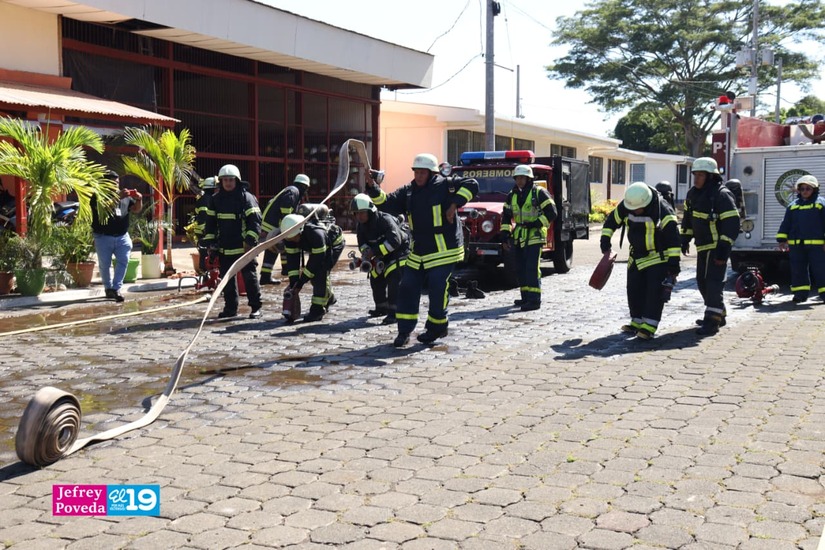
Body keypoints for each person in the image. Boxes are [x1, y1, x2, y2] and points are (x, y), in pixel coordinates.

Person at [367, 153, 478, 347]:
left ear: (432, 173)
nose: (418, 176)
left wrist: (454, 204)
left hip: (444, 250)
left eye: (422, 173)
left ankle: (437, 327)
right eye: (416, 172)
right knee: (407, 287)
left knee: (437, 287)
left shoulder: (445, 185)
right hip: (418, 252)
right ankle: (404, 331)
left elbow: (472, 184)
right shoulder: (408, 191)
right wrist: (373, 187)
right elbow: (386, 203)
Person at [601, 182, 681, 339]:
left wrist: (673, 264)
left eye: (638, 208)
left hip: (657, 258)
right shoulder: (628, 204)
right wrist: (605, 239)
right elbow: (611, 221)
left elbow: (674, 239)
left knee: (653, 293)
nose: (634, 211)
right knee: (633, 291)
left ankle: (649, 326)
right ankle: (636, 322)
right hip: (636, 257)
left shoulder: (662, 210)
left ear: (646, 202)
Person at [680, 157, 740, 336]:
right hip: (702, 247)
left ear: (711, 176)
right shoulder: (692, 194)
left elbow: (732, 223)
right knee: (702, 282)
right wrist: (685, 238)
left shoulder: (721, 195)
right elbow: (688, 219)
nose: (696, 179)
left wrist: (723, 249)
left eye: (701, 175)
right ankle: (719, 314)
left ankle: (712, 322)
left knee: (713, 284)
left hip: (716, 247)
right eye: (695, 175)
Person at [202, 164, 263, 319]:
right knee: (227, 280)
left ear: (237, 180)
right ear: (221, 182)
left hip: (244, 247)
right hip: (225, 248)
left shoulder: (246, 198)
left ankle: (256, 307)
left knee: (249, 278)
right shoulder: (215, 200)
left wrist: (250, 241)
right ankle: (230, 309)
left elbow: (255, 221)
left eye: (231, 180)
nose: (228, 183)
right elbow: (210, 224)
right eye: (225, 180)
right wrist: (211, 244)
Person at [500, 164, 558, 311]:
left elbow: (552, 212)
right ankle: (525, 297)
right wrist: (505, 235)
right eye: (517, 178)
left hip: (535, 235)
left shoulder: (539, 192)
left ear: (529, 179)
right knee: (520, 268)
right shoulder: (512, 195)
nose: (520, 180)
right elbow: (506, 216)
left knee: (532, 268)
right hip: (519, 236)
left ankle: (534, 300)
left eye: (522, 178)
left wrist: (537, 223)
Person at [351, 193, 410, 323]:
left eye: (362, 213)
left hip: (399, 252)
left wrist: (374, 251)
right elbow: (362, 244)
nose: (359, 216)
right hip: (380, 255)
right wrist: (366, 254)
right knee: (375, 278)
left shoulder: (385, 220)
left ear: (370, 211)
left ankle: (395, 313)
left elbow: (395, 241)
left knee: (394, 280)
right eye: (356, 213)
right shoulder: (361, 226)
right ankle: (381, 308)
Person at [280, 212, 345, 322]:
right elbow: (292, 261)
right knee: (314, 274)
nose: (291, 240)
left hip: (333, 244)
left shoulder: (316, 234)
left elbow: (316, 262)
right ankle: (329, 297)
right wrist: (294, 283)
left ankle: (317, 310)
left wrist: (301, 281)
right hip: (317, 247)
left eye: (293, 238)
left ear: (300, 231)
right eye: (289, 238)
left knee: (320, 273)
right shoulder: (290, 236)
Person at [90, 170, 142, 302]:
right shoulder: (97, 196)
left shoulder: (125, 197)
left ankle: (116, 288)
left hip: (122, 236)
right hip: (103, 236)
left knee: (123, 261)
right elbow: (103, 209)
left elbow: (136, 209)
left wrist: (139, 199)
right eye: (112, 183)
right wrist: (118, 197)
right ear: (105, 183)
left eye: (117, 182)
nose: (116, 185)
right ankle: (108, 288)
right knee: (105, 265)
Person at [776, 175, 825, 303]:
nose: (805, 191)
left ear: (814, 189)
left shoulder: (821, 204)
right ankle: (800, 294)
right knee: (798, 270)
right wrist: (782, 240)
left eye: (808, 188)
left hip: (817, 246)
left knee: (821, 270)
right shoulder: (793, 205)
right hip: (797, 246)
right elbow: (786, 223)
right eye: (802, 189)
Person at [259, 173, 311, 285]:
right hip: (274, 225)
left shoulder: (292, 190)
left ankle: (279, 272)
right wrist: (289, 225)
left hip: (273, 224)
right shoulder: (293, 191)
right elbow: (286, 209)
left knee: (280, 247)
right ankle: (268, 276)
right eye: (306, 188)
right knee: (276, 248)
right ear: (304, 186)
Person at [192, 176, 216, 272]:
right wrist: (207, 231)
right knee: (207, 253)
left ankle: (204, 272)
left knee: (204, 253)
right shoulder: (210, 200)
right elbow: (204, 217)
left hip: (200, 231)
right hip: (205, 232)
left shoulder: (201, 199)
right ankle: (207, 272)